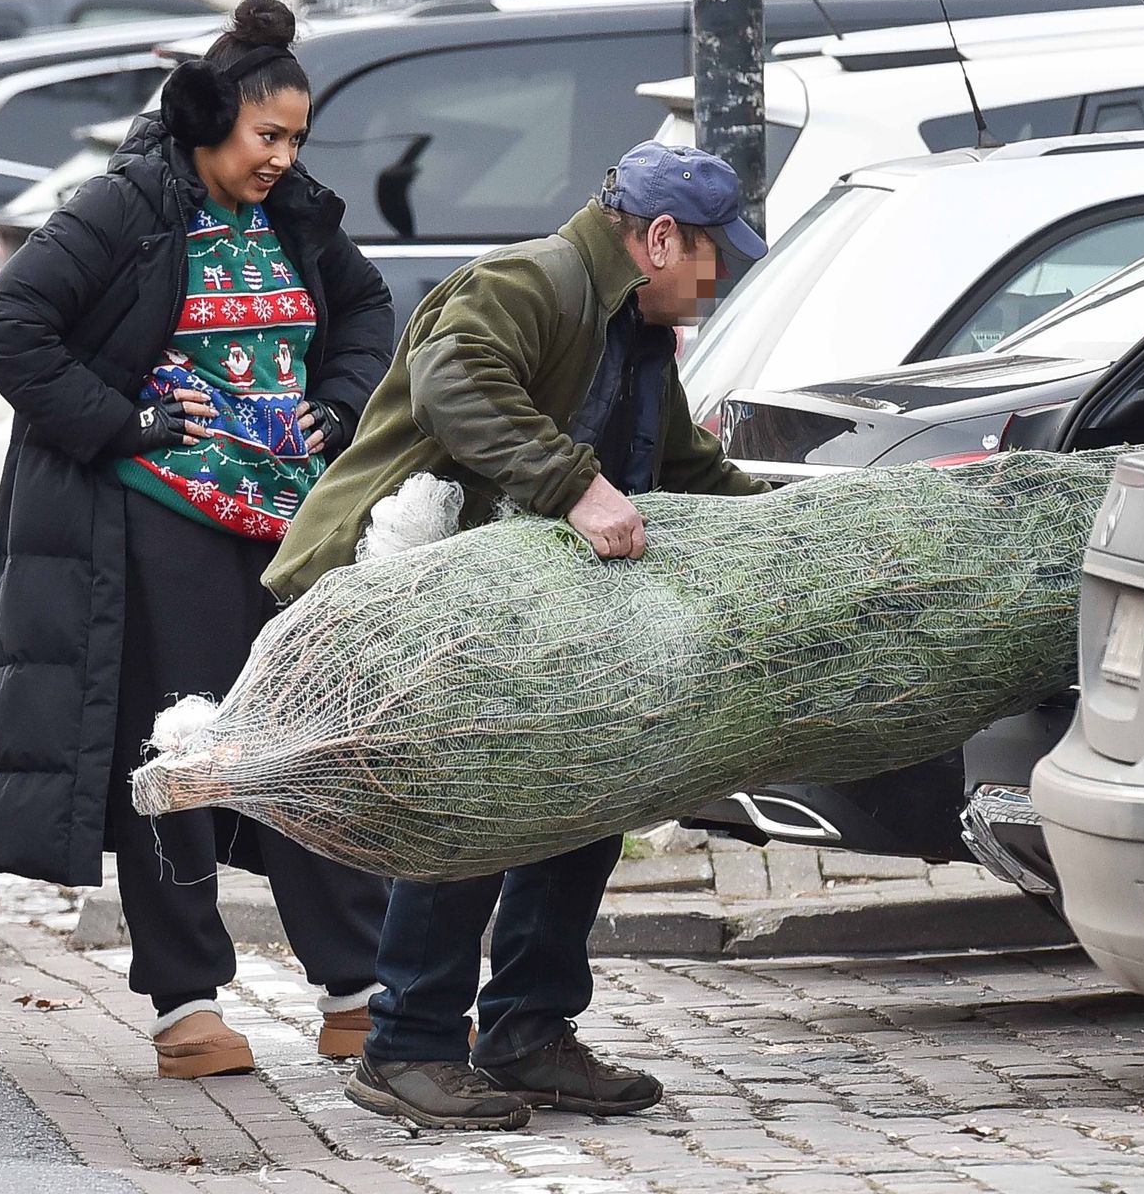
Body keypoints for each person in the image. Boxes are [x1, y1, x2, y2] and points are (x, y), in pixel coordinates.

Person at [263, 140, 771, 1129]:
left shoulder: (636, 331)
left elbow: (685, 467)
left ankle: (527, 1034)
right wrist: (577, 487)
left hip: (522, 615)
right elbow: (456, 389)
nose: (717, 285)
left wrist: (790, 532)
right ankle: (406, 1047)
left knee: (583, 797)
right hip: (405, 591)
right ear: (662, 239)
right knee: (472, 804)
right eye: (714, 258)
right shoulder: (527, 281)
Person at [0, 0, 395, 1079]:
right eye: (266, 136)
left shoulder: (296, 213)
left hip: (288, 528)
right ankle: (185, 1005)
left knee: (307, 748)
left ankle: (357, 992)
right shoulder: (124, 204)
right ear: (206, 123)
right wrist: (125, 424)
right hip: (159, 529)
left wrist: (338, 406)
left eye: (296, 138)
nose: (283, 158)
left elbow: (367, 311)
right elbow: (7, 329)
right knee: (181, 761)